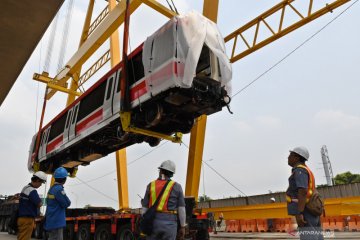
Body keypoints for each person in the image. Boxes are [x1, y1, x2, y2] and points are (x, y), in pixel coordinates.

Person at [142, 160, 186, 240]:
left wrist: (146, 220)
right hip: (170, 224)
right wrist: (182, 226)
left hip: (153, 222)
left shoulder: (151, 185)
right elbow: (181, 209)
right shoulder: (177, 186)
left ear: (161, 171)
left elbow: (144, 208)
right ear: (172, 174)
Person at [286, 146, 323, 240]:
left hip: (306, 210)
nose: (288, 158)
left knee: (308, 237)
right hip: (311, 208)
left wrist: (299, 213)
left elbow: (302, 192)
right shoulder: (306, 170)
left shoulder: (299, 170)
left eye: (290, 155)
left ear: (297, 157)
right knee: (316, 236)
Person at [17, 171, 47, 240]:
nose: (41, 185)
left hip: (21, 218)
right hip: (27, 219)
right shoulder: (32, 190)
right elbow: (39, 204)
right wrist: (41, 202)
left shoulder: (25, 188)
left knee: (21, 237)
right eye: (41, 182)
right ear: (37, 180)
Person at [44, 167, 71, 240]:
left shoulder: (51, 189)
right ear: (64, 179)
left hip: (51, 220)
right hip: (57, 221)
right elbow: (67, 203)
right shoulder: (59, 190)